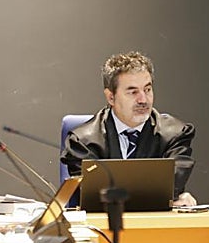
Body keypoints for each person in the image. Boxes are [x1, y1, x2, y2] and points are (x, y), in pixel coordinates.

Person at [61, 51, 198, 206]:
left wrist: (166, 197)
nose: (143, 100)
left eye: (147, 89)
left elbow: (172, 186)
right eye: (133, 92)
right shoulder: (82, 142)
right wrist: (164, 200)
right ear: (111, 97)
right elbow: (96, 198)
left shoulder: (175, 135)